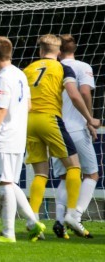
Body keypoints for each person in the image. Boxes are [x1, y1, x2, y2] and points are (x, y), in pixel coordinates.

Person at [23, 34, 100, 238]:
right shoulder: (62, 67)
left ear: (40, 50)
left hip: (29, 122)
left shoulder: (29, 69)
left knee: (41, 173)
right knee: (74, 167)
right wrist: (89, 119)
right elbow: (75, 95)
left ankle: (34, 220)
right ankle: (72, 215)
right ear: (58, 52)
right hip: (51, 120)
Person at [0, 36, 45, 243]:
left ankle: (9, 234)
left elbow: (1, 110)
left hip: (4, 135)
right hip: (18, 135)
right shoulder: (20, 74)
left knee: (4, 183)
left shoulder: (4, 78)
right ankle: (34, 224)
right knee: (11, 182)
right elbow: (29, 105)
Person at [51, 34, 99, 239]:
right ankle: (75, 215)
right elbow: (85, 92)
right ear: (75, 48)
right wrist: (90, 119)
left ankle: (60, 221)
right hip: (77, 128)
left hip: (56, 128)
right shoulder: (82, 66)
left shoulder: (53, 68)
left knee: (65, 176)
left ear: (59, 51)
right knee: (91, 174)